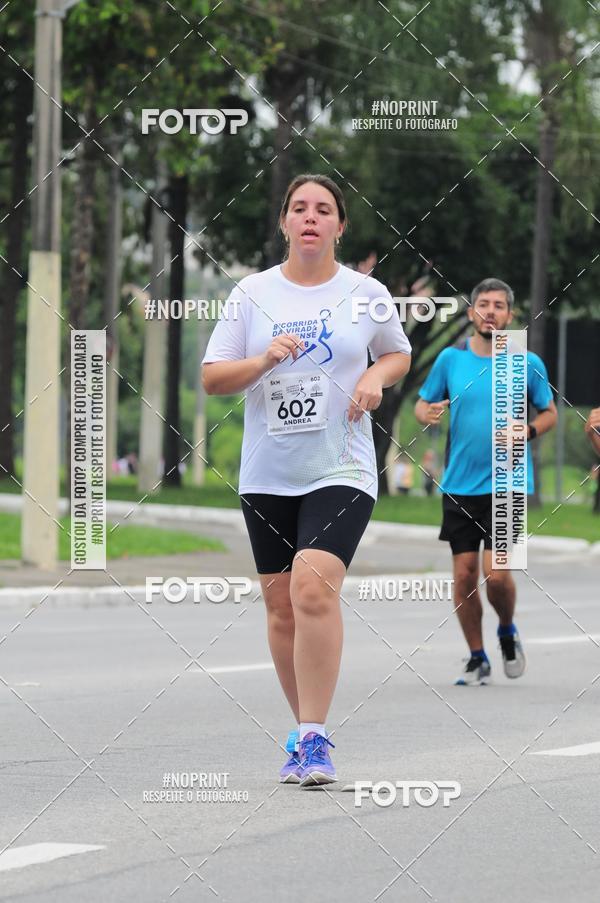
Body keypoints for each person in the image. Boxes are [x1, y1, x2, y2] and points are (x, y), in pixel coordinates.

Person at [202, 174, 411, 786]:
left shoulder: (367, 292)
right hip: (268, 470)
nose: (311, 218)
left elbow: (396, 353)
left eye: (324, 210)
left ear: (340, 226)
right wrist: (264, 359)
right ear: (285, 224)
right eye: (300, 209)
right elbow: (214, 378)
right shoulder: (251, 294)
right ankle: (302, 732)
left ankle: (316, 739)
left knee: (312, 588)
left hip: (341, 466)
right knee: (281, 607)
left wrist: (377, 379)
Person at [414, 278, 557, 686]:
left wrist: (526, 432)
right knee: (463, 575)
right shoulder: (450, 359)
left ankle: (507, 629)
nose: (490, 311)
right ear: (471, 312)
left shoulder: (525, 361)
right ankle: (477, 657)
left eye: (499, 306)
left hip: (509, 481)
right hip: (459, 484)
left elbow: (549, 413)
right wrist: (427, 414)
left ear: (510, 315)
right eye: (483, 304)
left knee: (496, 574)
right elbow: (424, 402)